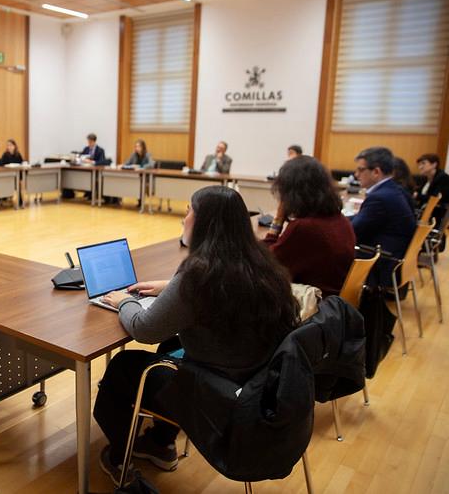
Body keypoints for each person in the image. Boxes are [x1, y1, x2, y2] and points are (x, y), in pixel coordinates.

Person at [93, 186, 299, 485]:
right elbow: (217, 294)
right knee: (172, 342)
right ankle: (160, 444)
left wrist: (125, 301)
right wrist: (171, 286)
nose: (183, 218)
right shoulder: (260, 263)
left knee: (122, 367)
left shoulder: (199, 274)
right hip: (251, 383)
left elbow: (144, 329)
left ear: (205, 223)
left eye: (189, 210)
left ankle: (119, 456)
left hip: (217, 395)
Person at [263, 156, 356, 296]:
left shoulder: (305, 228)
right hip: (336, 302)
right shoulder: (340, 220)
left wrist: (277, 220)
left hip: (313, 304)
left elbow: (267, 264)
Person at [350, 147, 417, 287]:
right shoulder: (395, 189)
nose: (356, 174)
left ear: (376, 172)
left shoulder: (379, 198)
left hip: (383, 261)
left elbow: (353, 232)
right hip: (397, 255)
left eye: (361, 170)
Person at [415, 153, 449, 224]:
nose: (420, 167)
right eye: (419, 164)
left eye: (423, 164)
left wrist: (416, 195)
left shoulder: (443, 178)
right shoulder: (424, 178)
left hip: (436, 214)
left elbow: (434, 198)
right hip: (424, 211)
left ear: (434, 164)